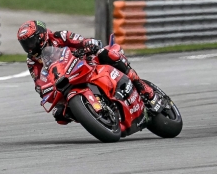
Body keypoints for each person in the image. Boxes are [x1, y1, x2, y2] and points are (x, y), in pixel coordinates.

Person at [17, 20, 161, 125]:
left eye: (31, 42)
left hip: (85, 62)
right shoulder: (32, 61)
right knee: (60, 114)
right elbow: (38, 82)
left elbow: (81, 40)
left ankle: (143, 87)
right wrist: (43, 90)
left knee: (109, 54)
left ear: (41, 36)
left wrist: (88, 45)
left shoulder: (60, 36)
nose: (29, 47)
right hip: (64, 80)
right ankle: (93, 115)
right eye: (25, 44)